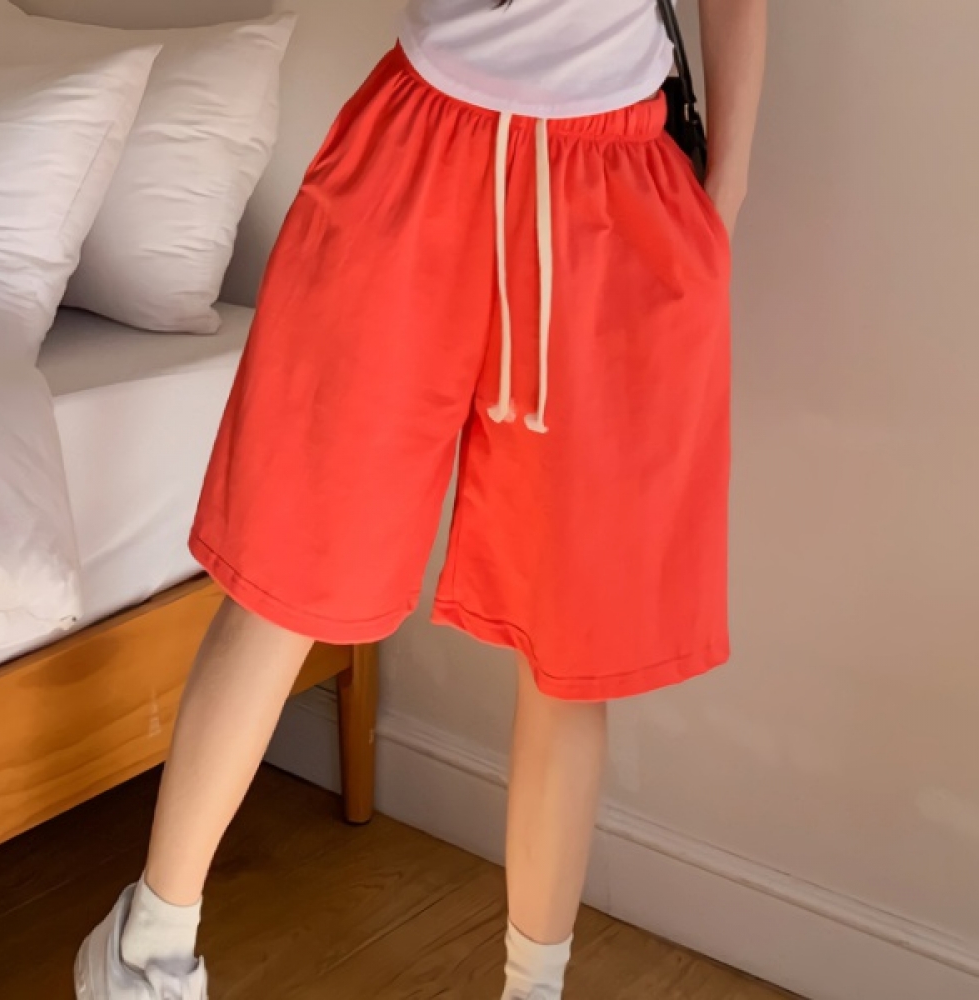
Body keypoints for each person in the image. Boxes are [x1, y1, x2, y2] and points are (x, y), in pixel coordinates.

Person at [75, 1, 766, 997]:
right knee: (291, 565)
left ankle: (534, 987)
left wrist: (723, 198)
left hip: (615, 188)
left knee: (573, 644)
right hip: (416, 151)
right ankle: (145, 952)